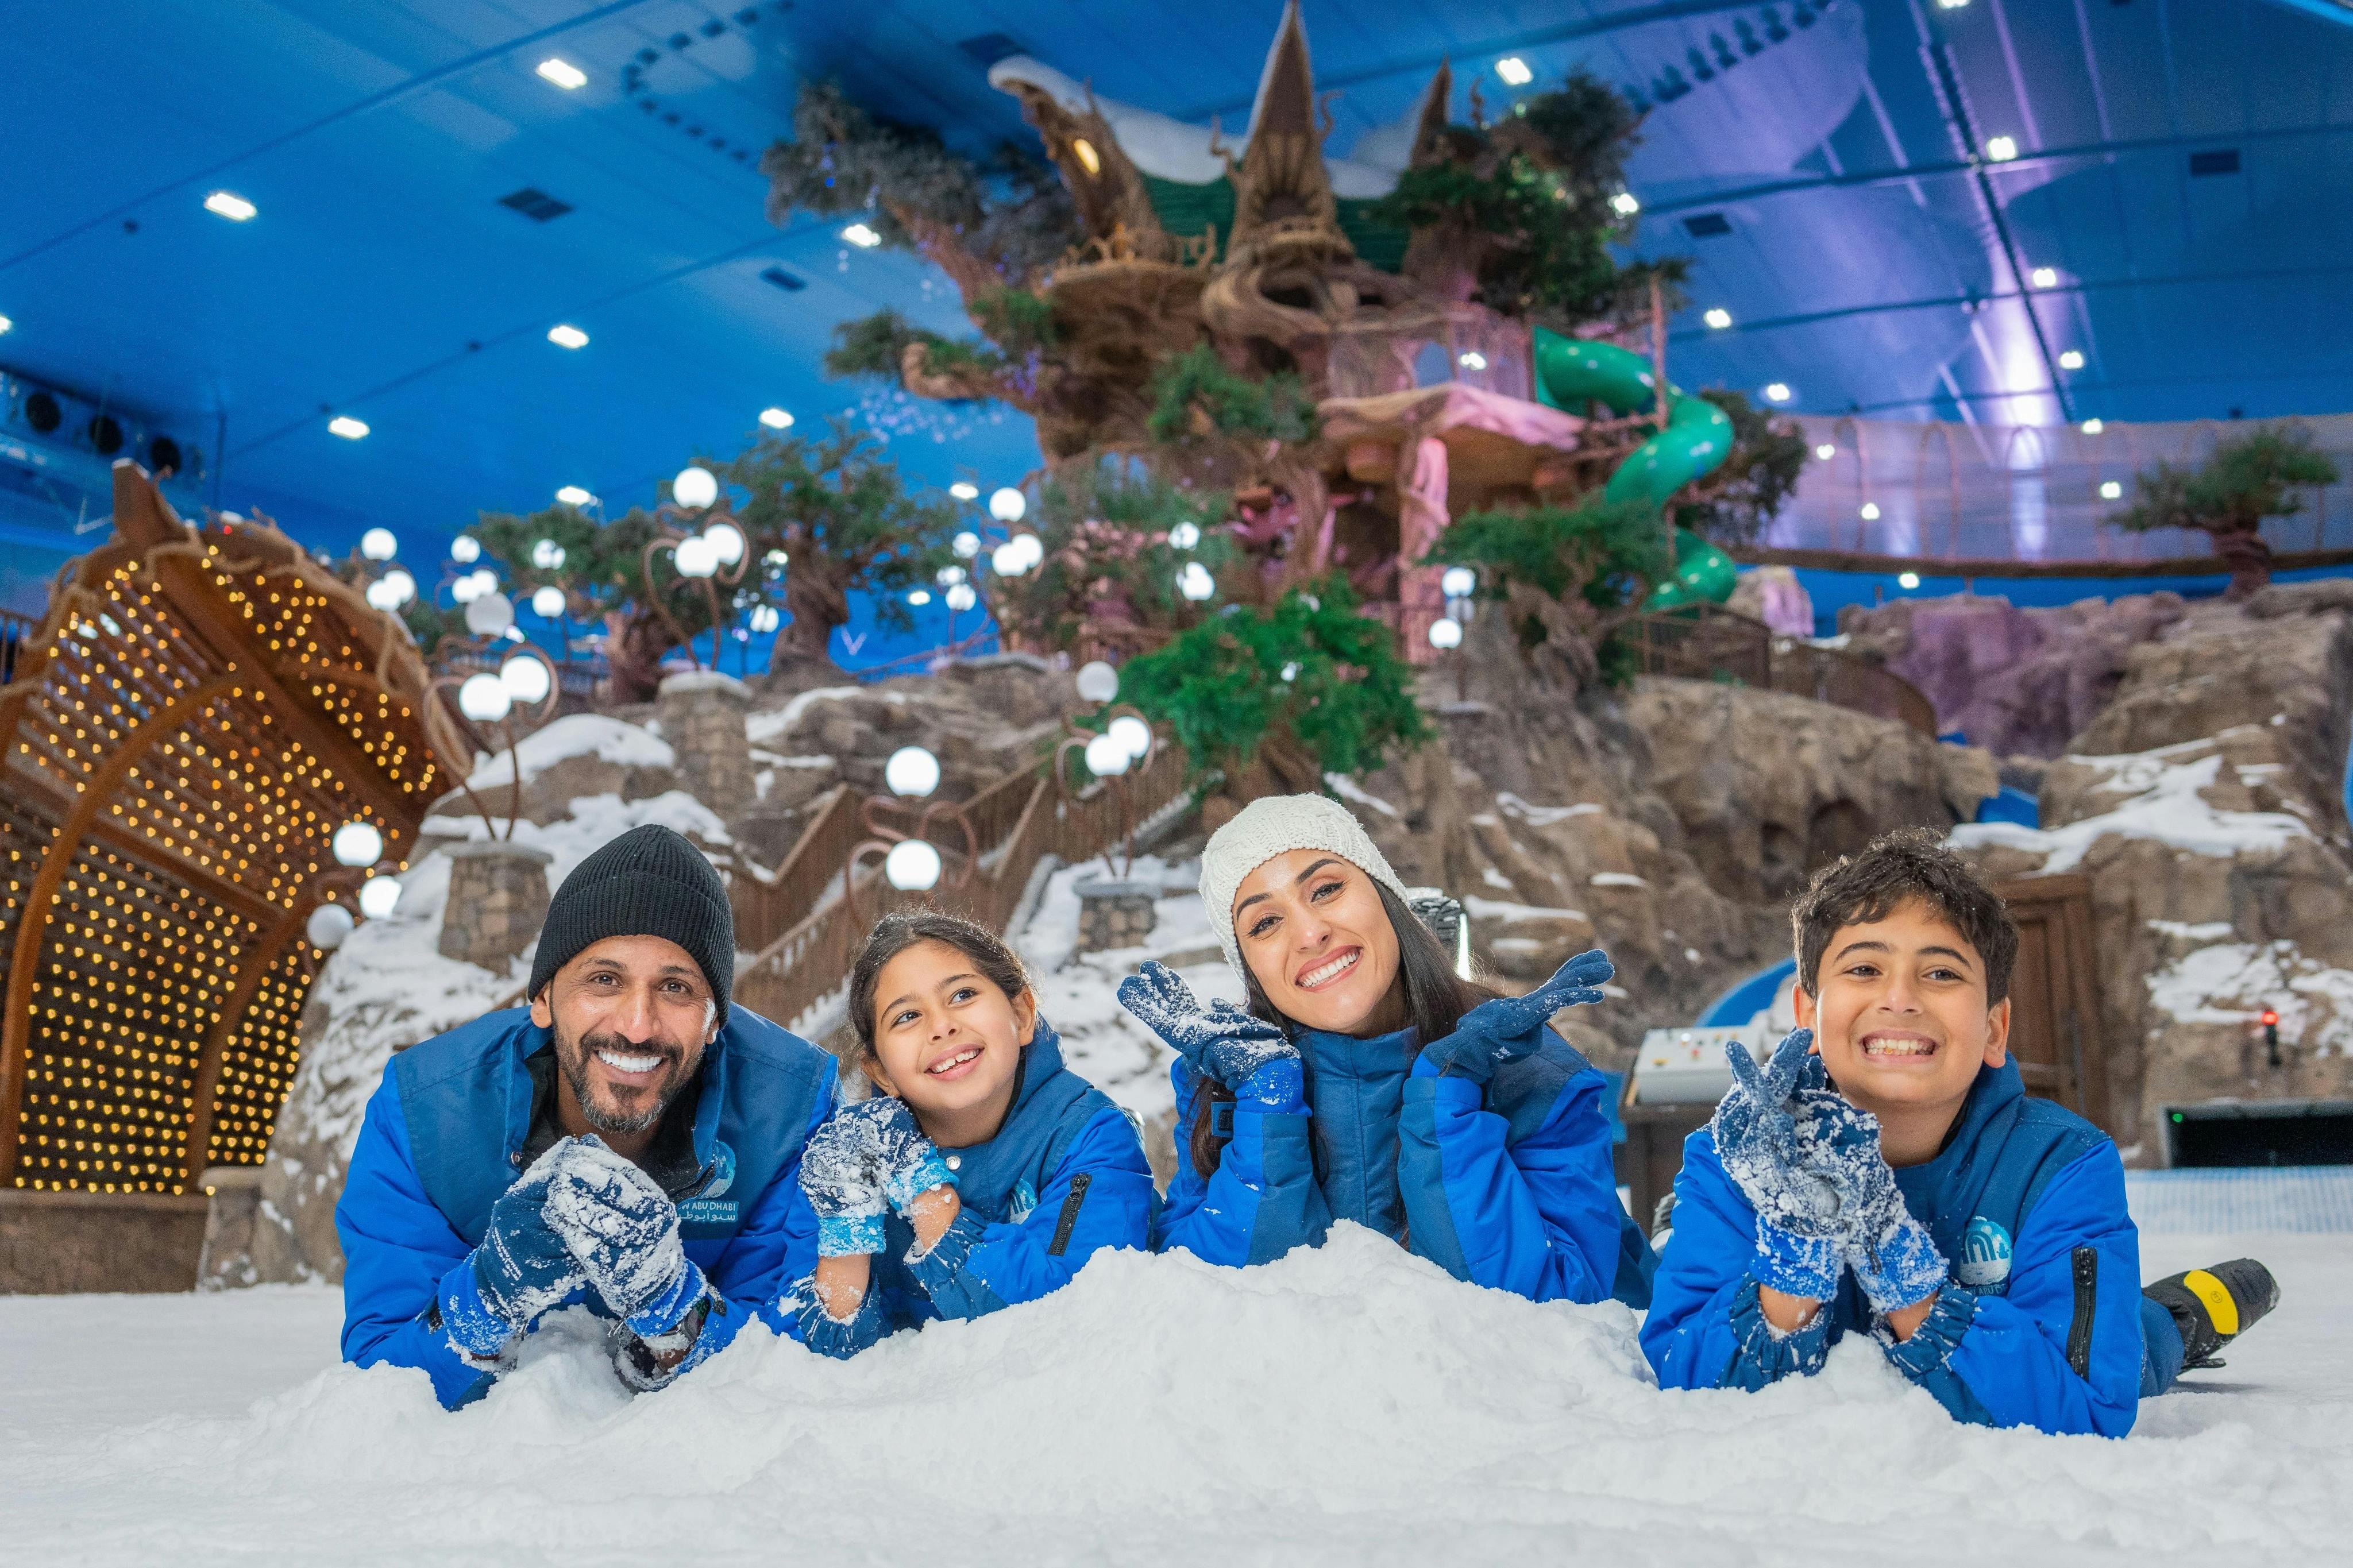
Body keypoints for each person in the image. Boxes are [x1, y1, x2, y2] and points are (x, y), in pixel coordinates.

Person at [1641, 828, 2279, 1435]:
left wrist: (1893, 1255)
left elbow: (2087, 1402)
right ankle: (1683, 1230)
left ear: (1995, 1029)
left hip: (2084, 1328)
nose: (1900, 998)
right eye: (1863, 969)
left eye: (1941, 973)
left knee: (2138, 1345)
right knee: (1693, 1262)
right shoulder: (1739, 1162)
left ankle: (2180, 1315)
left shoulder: (2059, 1164)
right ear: (1807, 1011)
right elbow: (1681, 1373)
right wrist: (1795, 1247)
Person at [336, 824, 836, 1408]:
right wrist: (484, 1300)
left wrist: (675, 1313)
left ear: (716, 1021)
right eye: (604, 980)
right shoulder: (427, 1112)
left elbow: (796, 1359)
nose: (637, 1025)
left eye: (676, 988)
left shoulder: (789, 1110)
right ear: (543, 999)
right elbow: (379, 1382)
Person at [1133, 793, 1652, 1305]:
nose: (1310, 933)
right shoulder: (1229, 1093)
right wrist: (1267, 1114)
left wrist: (1446, 1102)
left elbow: (1558, 1312)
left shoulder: (1529, 1071)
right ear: (1250, 968)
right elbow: (1200, 1309)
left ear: (1386, 897)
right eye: (1266, 923)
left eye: (1326, 889)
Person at [789, 910, 1155, 1356]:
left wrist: (924, 1192)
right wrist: (845, 1227)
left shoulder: (1091, 1138)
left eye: (962, 994)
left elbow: (1072, 1303)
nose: (941, 1026)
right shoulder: (857, 1162)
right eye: (906, 1017)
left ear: (1021, 1015)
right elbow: (821, 1361)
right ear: (881, 1071)